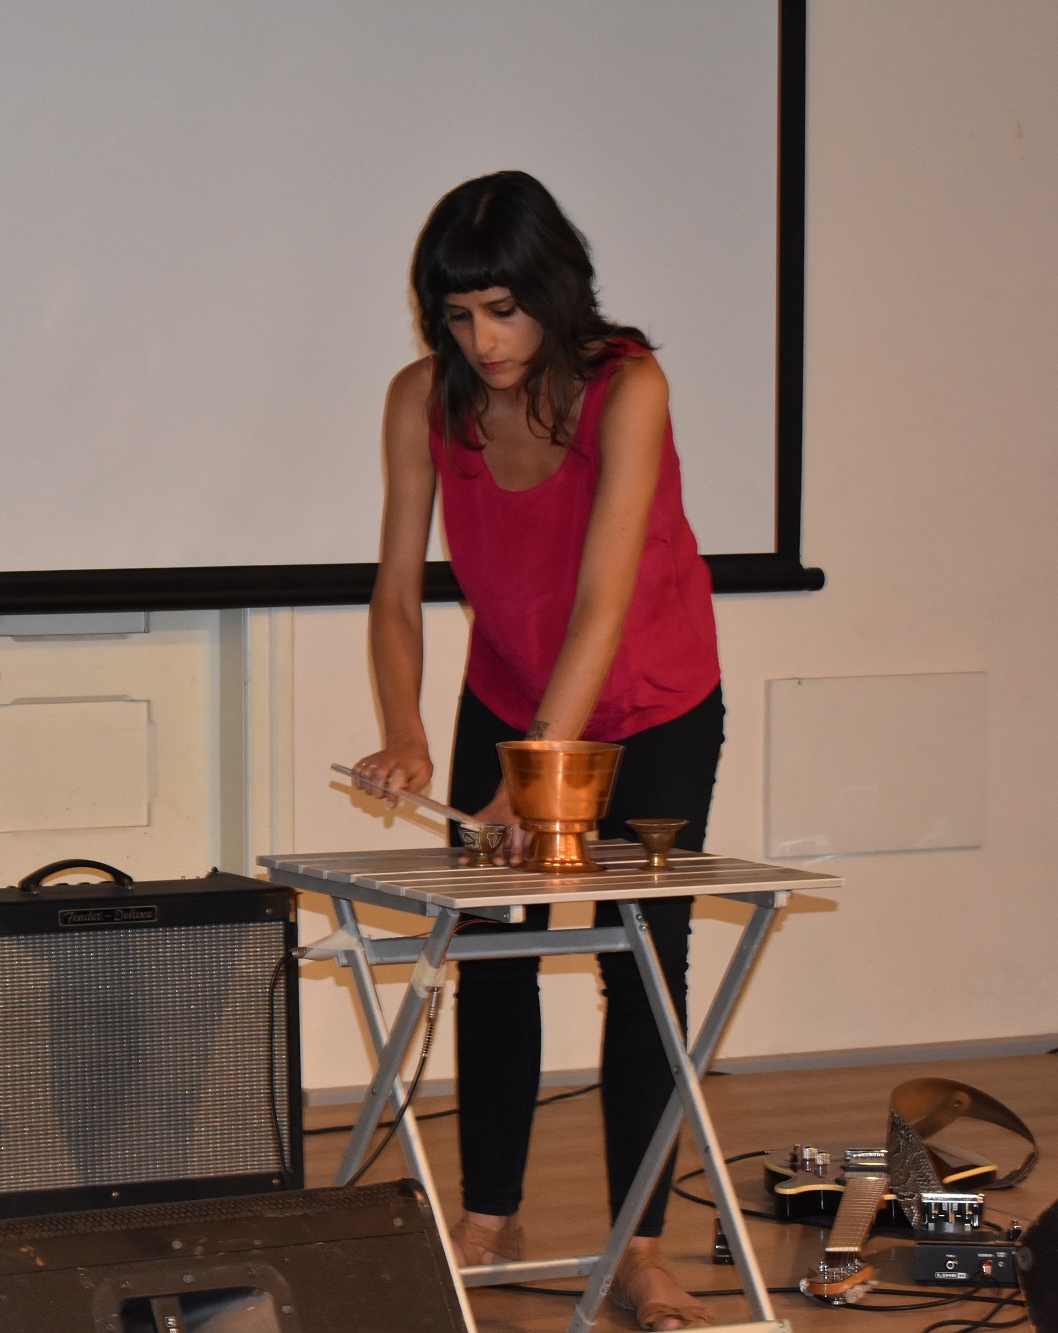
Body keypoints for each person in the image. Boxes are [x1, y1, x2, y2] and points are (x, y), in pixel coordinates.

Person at [352, 170, 724, 1331]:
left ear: (553, 292)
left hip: (650, 700)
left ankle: (640, 1247)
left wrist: (534, 773)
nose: (483, 340)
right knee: (493, 948)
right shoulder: (422, 399)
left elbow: (603, 603)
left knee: (641, 964)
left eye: (503, 311)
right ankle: (488, 1214)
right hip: (511, 690)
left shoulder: (628, 386)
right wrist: (406, 730)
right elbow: (397, 591)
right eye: (458, 315)